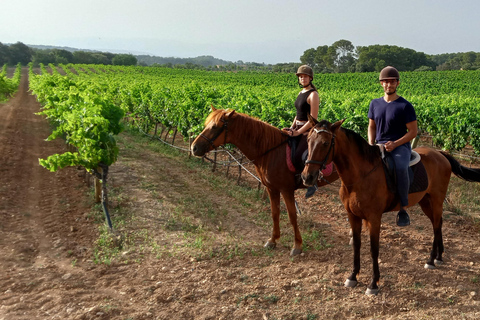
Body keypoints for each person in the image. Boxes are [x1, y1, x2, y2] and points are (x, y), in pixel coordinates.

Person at [368, 66, 418, 226]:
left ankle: (403, 208)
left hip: (400, 146)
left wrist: (395, 143)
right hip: (379, 145)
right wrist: (371, 143)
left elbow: (413, 132)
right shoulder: (374, 104)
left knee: (401, 168)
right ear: (381, 84)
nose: (389, 85)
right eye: (386, 82)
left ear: (397, 83)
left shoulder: (405, 106)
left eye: (392, 82)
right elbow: (372, 126)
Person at [283, 65, 320, 198]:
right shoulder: (301, 93)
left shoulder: (313, 95)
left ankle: (312, 181)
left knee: (301, 155)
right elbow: (297, 115)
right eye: (300, 77)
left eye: (305, 76)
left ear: (310, 78)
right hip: (298, 128)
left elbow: (313, 119)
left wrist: (299, 133)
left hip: (308, 131)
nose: (302, 78)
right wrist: (292, 128)